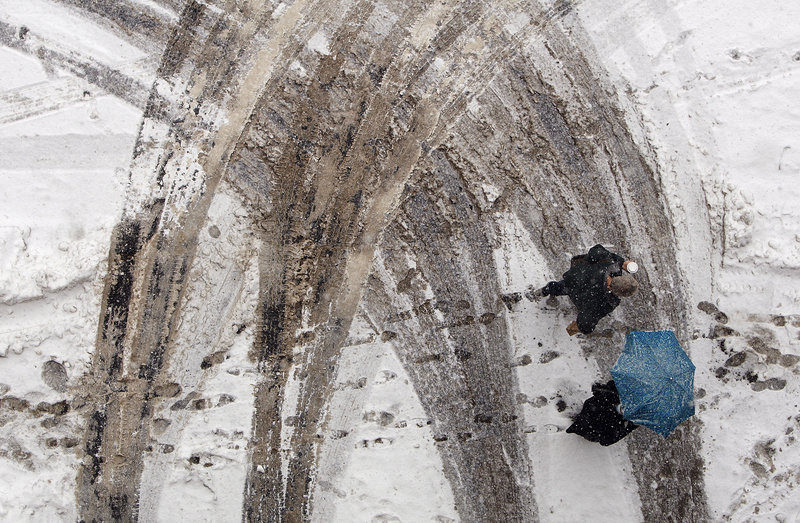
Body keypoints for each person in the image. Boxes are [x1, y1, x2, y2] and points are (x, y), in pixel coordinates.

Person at [541, 244, 638, 335]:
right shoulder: (607, 303)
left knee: (558, 287)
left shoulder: (611, 265)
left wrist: (621, 262)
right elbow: (585, 323)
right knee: (567, 291)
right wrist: (586, 329)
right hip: (577, 295)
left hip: (574, 278)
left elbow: (596, 250)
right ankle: (550, 292)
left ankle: (543, 291)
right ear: (620, 294)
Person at [566, 380, 638, 446]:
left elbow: (606, 441)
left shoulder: (614, 423)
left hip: (594, 426)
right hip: (591, 420)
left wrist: (630, 427)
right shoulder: (612, 396)